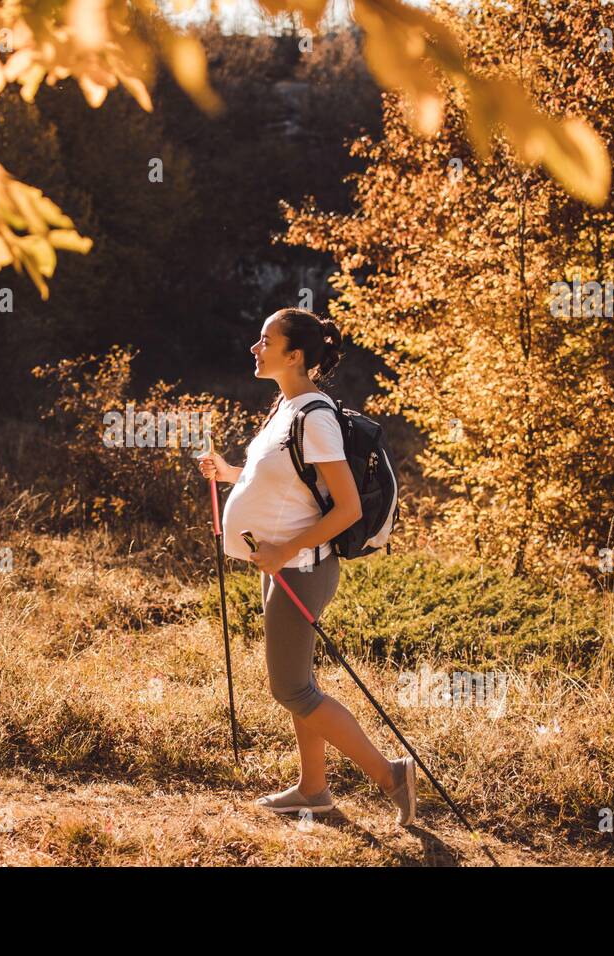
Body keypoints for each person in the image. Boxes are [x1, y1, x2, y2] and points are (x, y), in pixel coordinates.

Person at [198, 307, 418, 825]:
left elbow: (348, 508)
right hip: (281, 566)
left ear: (294, 355)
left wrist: (280, 551)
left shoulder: (314, 416)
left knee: (291, 688)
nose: (255, 347)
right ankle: (313, 789)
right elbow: (280, 484)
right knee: (302, 682)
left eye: (264, 340)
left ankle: (391, 776)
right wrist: (228, 472)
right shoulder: (285, 407)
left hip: (302, 567)